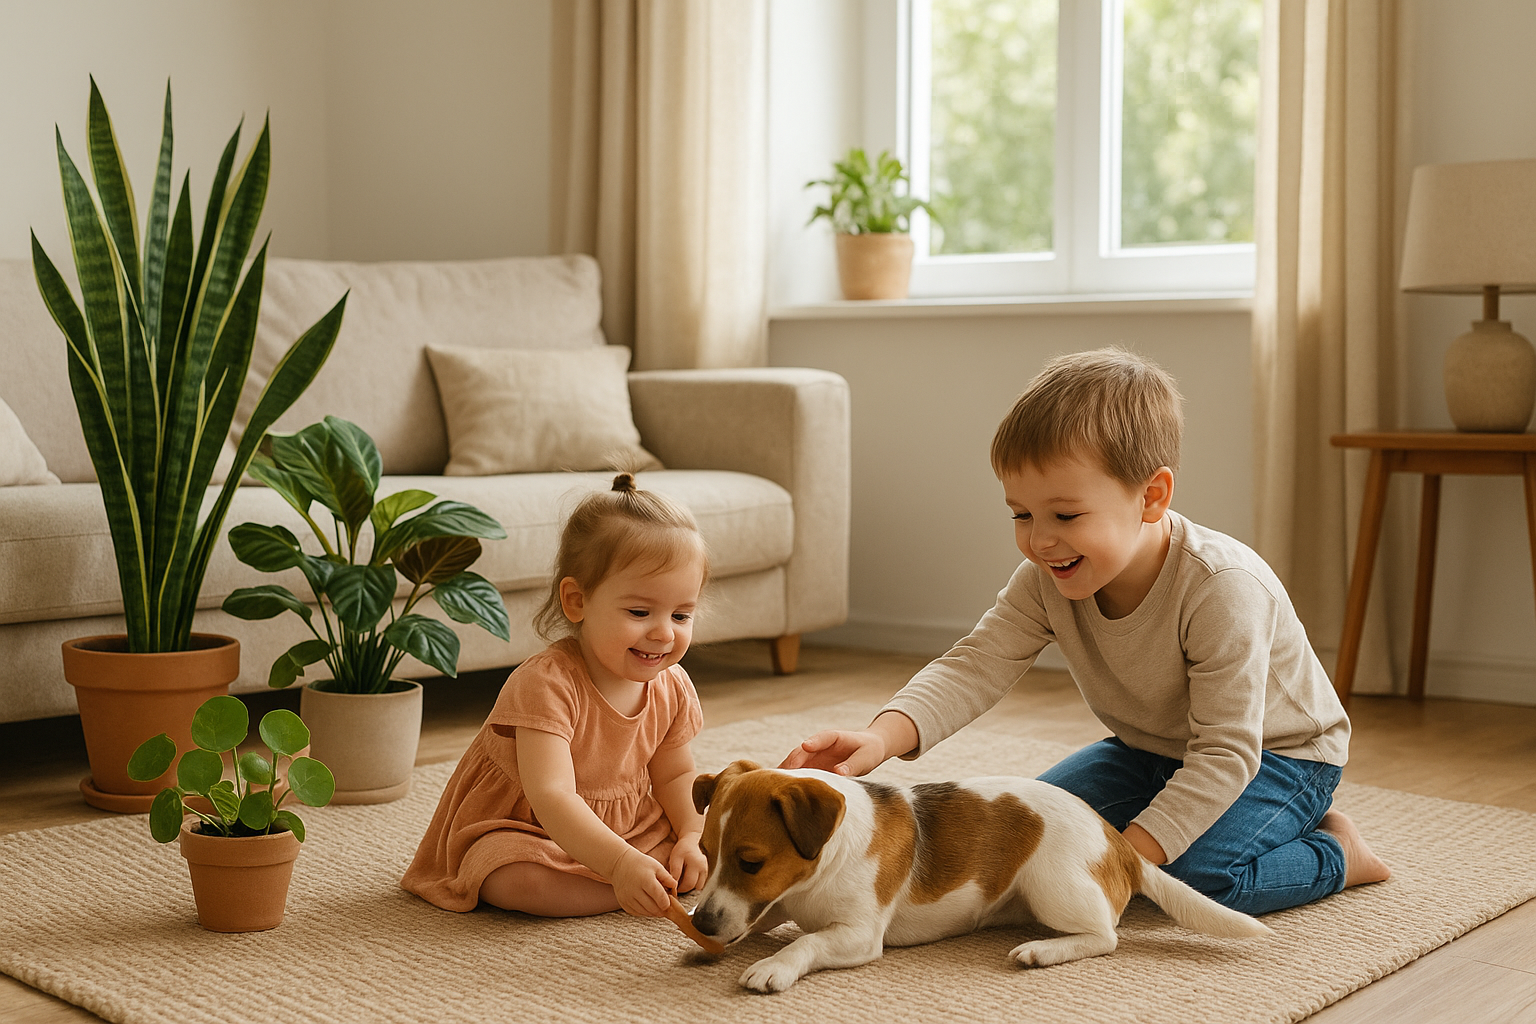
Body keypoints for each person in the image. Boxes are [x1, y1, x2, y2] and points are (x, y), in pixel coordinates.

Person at [781, 347, 1390, 916]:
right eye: (1022, 514)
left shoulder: (1222, 589)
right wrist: (880, 737)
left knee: (1185, 880)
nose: (1040, 539)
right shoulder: (1047, 576)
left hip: (1278, 759)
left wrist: (1130, 859)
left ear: (1151, 496)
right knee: (1023, 835)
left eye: (1065, 515)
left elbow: (1227, 751)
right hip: (1148, 751)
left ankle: (1336, 854)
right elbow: (977, 663)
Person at [402, 472, 710, 918]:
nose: (664, 632)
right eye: (640, 612)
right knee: (514, 879)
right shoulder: (545, 683)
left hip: (625, 827)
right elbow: (552, 796)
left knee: (709, 844)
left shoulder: (672, 686)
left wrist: (691, 837)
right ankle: (624, 889)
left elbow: (674, 778)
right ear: (576, 601)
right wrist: (622, 864)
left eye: (682, 615)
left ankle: (643, 877)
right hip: (530, 828)